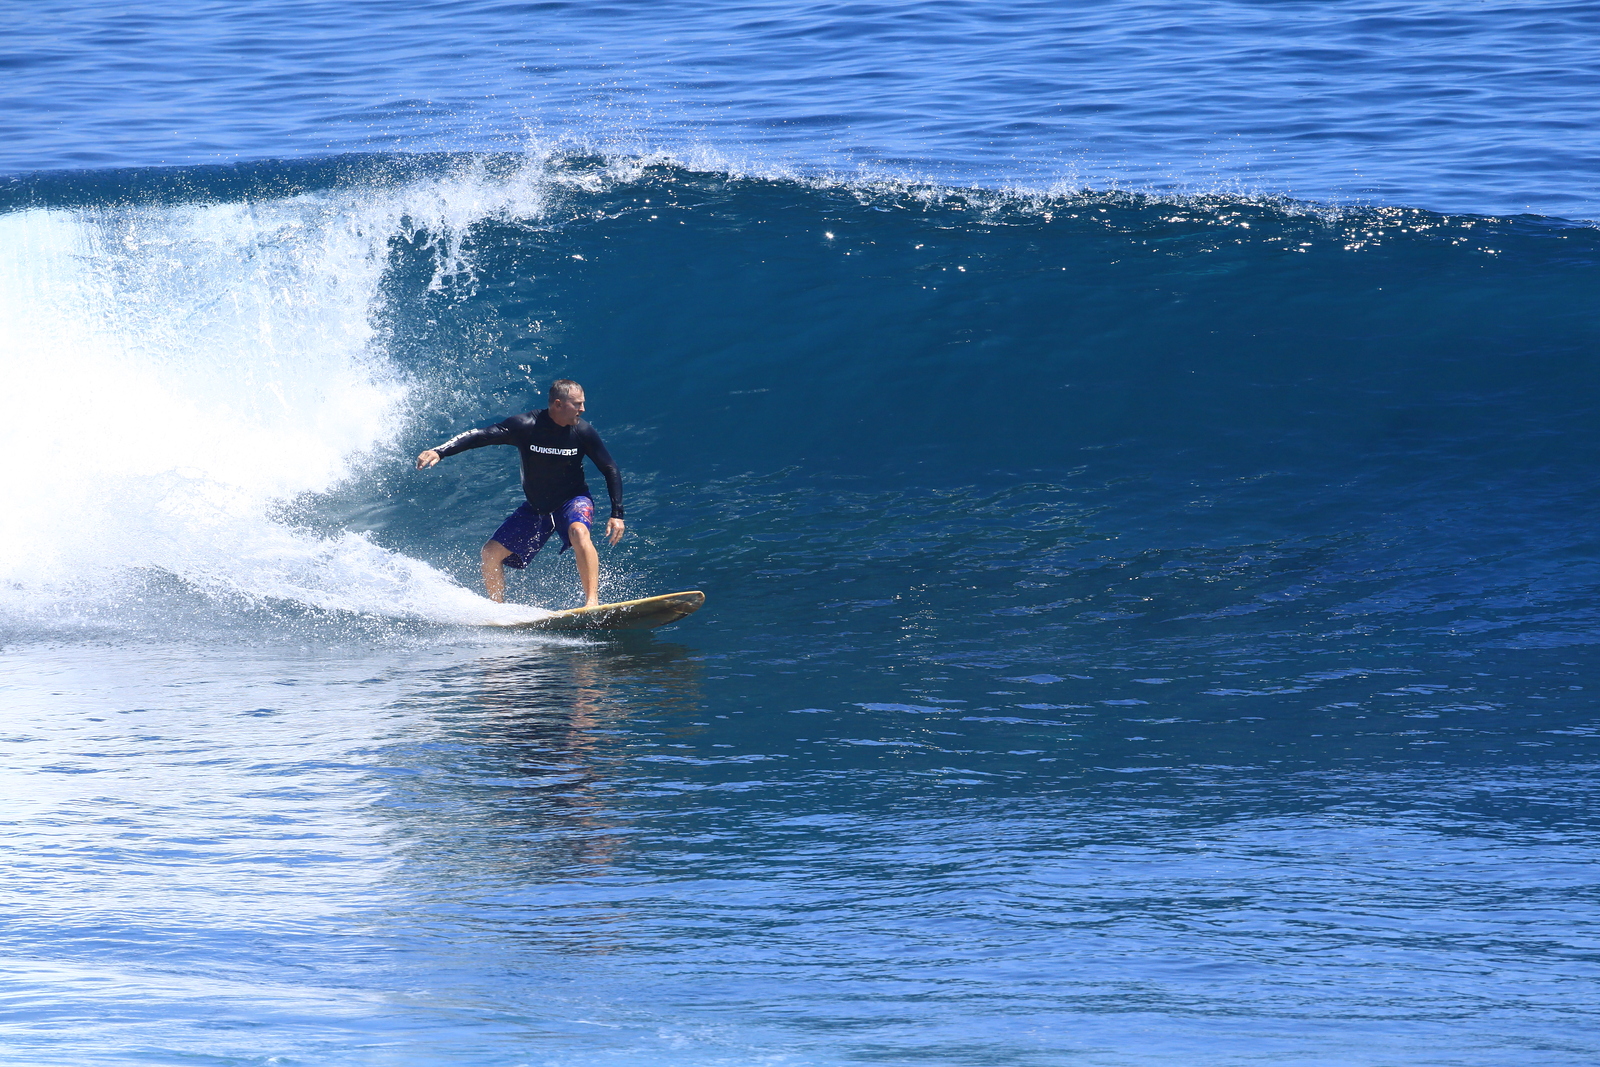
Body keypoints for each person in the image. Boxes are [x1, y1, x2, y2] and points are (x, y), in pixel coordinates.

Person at [415, 379, 625, 606]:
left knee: (579, 532)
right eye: (577, 404)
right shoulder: (526, 425)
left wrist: (617, 514)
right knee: (490, 553)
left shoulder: (582, 431)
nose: (582, 409)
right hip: (537, 507)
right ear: (558, 404)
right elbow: (480, 435)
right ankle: (498, 610)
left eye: (582, 403)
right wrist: (440, 451)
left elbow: (609, 468)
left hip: (572, 500)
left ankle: (592, 602)